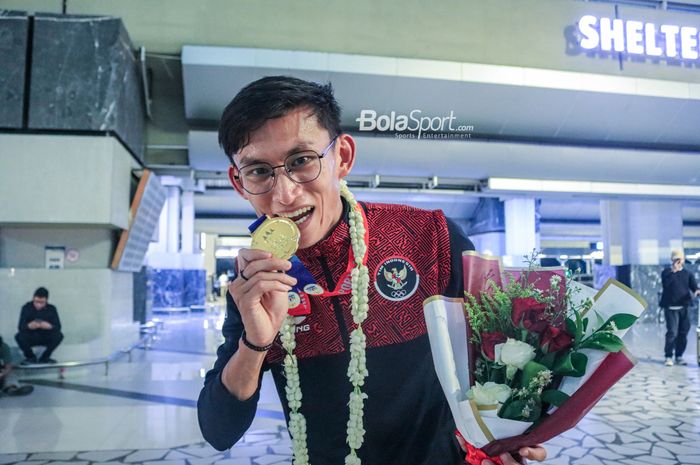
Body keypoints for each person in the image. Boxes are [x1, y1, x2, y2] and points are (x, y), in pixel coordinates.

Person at [197, 76, 546, 465]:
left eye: (301, 161)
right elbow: (219, 430)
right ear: (238, 182)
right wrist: (256, 342)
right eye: (259, 171)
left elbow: (503, 354)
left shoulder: (431, 238)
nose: (285, 194)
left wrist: (516, 430)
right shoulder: (255, 284)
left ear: (342, 157)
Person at [661, 249, 700, 366]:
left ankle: (679, 356)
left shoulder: (688, 274)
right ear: (671, 260)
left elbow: (694, 287)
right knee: (672, 332)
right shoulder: (666, 273)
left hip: (684, 307)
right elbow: (666, 285)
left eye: (680, 259)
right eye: (675, 259)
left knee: (683, 332)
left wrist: (697, 291)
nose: (678, 261)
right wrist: (674, 271)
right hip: (670, 308)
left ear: (683, 260)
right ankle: (668, 356)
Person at [15, 287, 64, 364]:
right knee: (19, 336)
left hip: (46, 336)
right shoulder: (26, 308)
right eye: (36, 302)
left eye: (42, 302)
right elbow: (20, 327)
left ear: (46, 301)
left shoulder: (51, 309)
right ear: (33, 299)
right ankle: (30, 357)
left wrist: (49, 326)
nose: (38, 305)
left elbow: (58, 327)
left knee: (59, 336)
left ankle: (45, 357)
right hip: (31, 336)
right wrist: (29, 326)